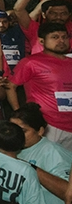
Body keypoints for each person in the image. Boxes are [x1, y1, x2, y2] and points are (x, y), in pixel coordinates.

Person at [12, 103, 72, 204]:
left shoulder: (55, 155)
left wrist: (32, 169)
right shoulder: (14, 150)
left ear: (40, 130)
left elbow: (67, 191)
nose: (16, 135)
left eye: (23, 131)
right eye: (13, 130)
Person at [6, 22, 72, 152]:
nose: (61, 41)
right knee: (42, 164)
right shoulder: (31, 62)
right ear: (42, 41)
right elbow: (10, 86)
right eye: (55, 37)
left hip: (70, 124)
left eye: (64, 37)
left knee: (65, 168)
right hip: (46, 124)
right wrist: (20, 115)